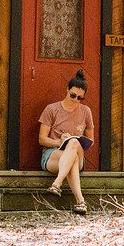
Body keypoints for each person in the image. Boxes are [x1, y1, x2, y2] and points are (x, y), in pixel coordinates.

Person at [38, 71, 96, 214]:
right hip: (53, 155)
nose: (76, 100)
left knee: (74, 143)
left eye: (80, 98)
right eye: (73, 95)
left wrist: (76, 141)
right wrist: (59, 141)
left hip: (78, 151)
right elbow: (42, 139)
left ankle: (57, 183)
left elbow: (90, 139)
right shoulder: (51, 109)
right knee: (73, 158)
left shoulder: (86, 111)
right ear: (67, 89)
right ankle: (80, 201)